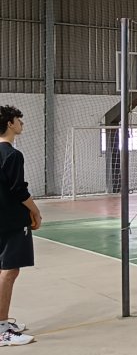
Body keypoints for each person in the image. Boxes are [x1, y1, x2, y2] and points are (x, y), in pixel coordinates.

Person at [0, 105, 41, 346]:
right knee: (10, 271)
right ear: (10, 124)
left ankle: (3, 322)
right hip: (12, 220)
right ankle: (3, 329)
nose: (21, 124)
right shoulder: (12, 154)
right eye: (19, 120)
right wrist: (36, 212)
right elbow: (19, 191)